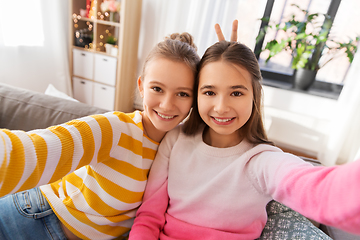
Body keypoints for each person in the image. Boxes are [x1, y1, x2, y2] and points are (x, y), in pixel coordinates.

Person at [129, 40, 360, 239]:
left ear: (254, 96)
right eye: (209, 92)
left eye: (236, 93)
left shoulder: (262, 161)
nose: (221, 107)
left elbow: (317, 189)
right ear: (195, 94)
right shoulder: (175, 140)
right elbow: (149, 216)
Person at [0, 32, 200, 240]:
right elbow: (37, 150)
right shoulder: (116, 129)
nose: (167, 104)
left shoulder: (185, 145)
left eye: (183, 94)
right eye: (157, 88)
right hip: (37, 219)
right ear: (141, 87)